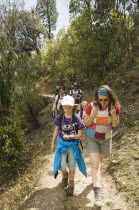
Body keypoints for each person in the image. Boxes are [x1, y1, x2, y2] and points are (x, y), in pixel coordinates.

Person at [83, 85, 121, 207]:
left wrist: (114, 115)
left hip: (105, 139)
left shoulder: (115, 108)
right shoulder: (91, 106)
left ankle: (95, 178)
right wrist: (93, 115)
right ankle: (97, 196)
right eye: (101, 100)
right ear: (97, 98)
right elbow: (86, 123)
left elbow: (115, 124)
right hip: (91, 137)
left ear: (110, 98)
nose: (103, 102)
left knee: (99, 162)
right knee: (95, 165)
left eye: (106, 100)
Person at [51, 95, 87, 196]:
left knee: (72, 165)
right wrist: (53, 143)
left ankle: (71, 186)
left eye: (69, 107)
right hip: (62, 145)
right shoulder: (60, 117)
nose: (67, 109)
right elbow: (56, 130)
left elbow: (80, 135)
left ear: (73, 107)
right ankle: (65, 175)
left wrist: (71, 136)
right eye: (65, 107)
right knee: (61, 165)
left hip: (73, 145)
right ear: (62, 107)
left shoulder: (77, 118)